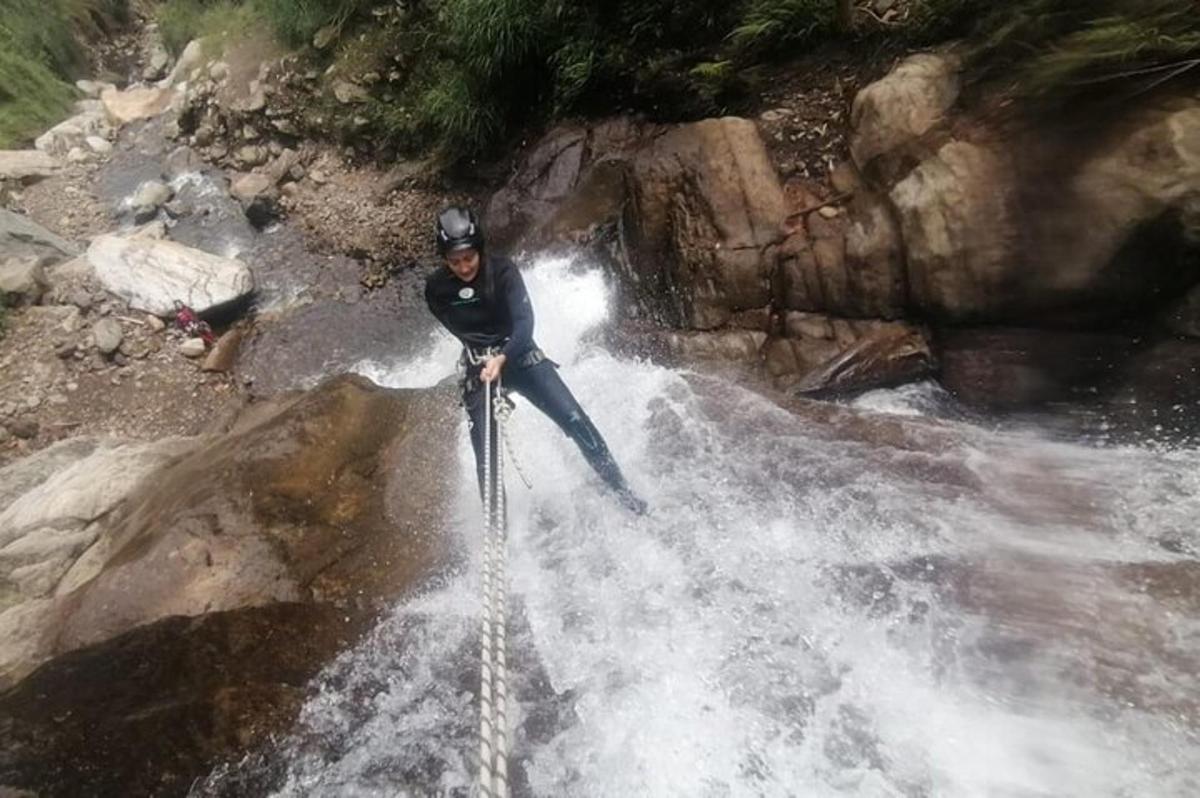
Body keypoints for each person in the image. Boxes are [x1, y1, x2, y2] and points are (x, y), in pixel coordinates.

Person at [424, 206, 647, 515]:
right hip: (481, 368)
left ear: (480, 250)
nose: (463, 267)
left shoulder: (503, 272)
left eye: (469, 258)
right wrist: (483, 359)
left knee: (575, 420)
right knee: (485, 458)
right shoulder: (436, 289)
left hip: (519, 354)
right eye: (455, 261)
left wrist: (503, 356)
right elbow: (462, 330)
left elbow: (525, 323)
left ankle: (625, 495)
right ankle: (495, 534)